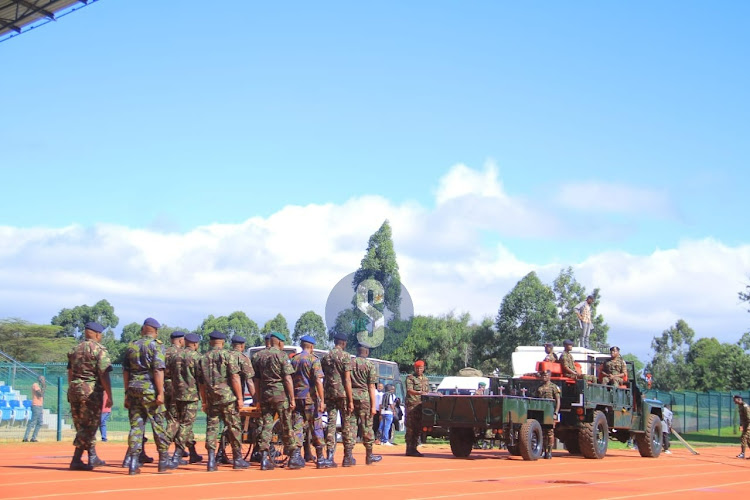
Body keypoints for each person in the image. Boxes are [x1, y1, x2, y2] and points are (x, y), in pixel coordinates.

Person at [123, 317, 172, 475]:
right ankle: (163, 460)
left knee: (136, 427)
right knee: (158, 425)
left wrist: (126, 393)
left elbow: (126, 371)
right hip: (150, 390)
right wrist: (160, 392)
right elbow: (158, 370)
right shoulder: (156, 346)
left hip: (133, 389)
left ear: (143, 329)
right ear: (156, 331)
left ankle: (133, 462)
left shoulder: (131, 346)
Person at [198, 330, 249, 471]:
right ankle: (237, 459)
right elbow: (235, 378)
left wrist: (204, 401)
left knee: (212, 429)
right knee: (234, 428)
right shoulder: (228, 355)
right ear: (223, 342)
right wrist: (239, 398)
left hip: (211, 399)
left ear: (210, 342)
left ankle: (211, 460)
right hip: (228, 398)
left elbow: (201, 383)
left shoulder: (203, 358)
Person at [67, 321, 113, 471]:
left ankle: (91, 456)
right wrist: (109, 395)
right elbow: (104, 373)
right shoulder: (99, 350)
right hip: (90, 392)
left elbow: (70, 372)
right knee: (89, 425)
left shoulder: (75, 349)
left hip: (74, 390)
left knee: (81, 425)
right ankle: (77, 459)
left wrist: (72, 387)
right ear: (98, 334)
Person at [252, 331, 301, 470]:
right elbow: (287, 379)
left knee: (267, 425)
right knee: (287, 425)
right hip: (280, 395)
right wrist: (292, 398)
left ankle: (263, 457)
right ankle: (293, 456)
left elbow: (256, 379)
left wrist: (258, 398)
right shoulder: (281, 355)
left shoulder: (258, 356)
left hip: (265, 395)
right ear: (279, 342)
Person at [290, 335, 333, 469]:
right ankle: (320, 458)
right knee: (316, 426)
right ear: (312, 347)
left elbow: (289, 379)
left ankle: (296, 456)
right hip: (310, 398)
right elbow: (318, 381)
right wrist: (322, 400)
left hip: (297, 398)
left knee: (297, 426)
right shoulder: (313, 360)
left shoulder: (294, 359)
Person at [215, 335, 256, 466]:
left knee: (226, 427)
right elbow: (249, 380)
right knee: (235, 427)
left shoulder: (224, 355)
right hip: (234, 398)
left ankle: (220, 453)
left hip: (219, 396)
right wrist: (256, 399)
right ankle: (243, 456)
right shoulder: (243, 358)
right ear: (242, 346)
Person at [169, 333, 203, 466]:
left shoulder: (175, 355)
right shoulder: (197, 357)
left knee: (181, 423)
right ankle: (177, 454)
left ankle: (193, 452)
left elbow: (168, 374)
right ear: (195, 344)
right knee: (186, 425)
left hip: (176, 394)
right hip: (191, 395)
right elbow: (201, 380)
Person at [321, 332, 354, 466]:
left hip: (329, 393)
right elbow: (347, 379)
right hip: (343, 394)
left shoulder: (325, 357)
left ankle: (329, 456)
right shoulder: (346, 356)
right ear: (344, 343)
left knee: (331, 423)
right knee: (347, 425)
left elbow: (323, 376)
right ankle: (347, 457)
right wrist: (351, 400)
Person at [347, 342, 382, 466]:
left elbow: (346, 381)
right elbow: (372, 386)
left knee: (351, 427)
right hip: (364, 399)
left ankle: (348, 456)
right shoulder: (369, 365)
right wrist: (374, 406)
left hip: (350, 397)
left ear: (357, 350)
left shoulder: (349, 363)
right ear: (366, 352)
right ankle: (369, 455)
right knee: (367, 426)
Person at [405, 360, 430, 457]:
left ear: (423, 368)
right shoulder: (410, 378)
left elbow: (427, 391)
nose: (419, 370)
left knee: (418, 428)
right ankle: (409, 448)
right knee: (411, 428)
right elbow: (409, 390)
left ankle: (414, 448)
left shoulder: (425, 379)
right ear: (414, 368)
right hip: (412, 406)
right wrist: (419, 393)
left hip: (421, 406)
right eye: (417, 368)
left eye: (421, 368)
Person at [164, 330, 185, 443]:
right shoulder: (181, 353)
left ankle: (188, 449)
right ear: (181, 340)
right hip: (177, 387)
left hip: (165, 386)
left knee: (173, 417)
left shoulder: (164, 352)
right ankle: (164, 445)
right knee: (177, 419)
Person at [535, 370, 561, 459]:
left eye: (546, 375)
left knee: (550, 432)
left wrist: (556, 413)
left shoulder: (554, 387)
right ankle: (543, 450)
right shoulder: (539, 388)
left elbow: (558, 401)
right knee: (541, 432)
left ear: (549, 376)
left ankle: (549, 452)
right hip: (540, 413)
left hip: (549, 412)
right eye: (543, 375)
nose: (544, 377)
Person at [23, 375, 46, 442]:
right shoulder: (35, 385)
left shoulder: (40, 387)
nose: (43, 381)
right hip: (36, 405)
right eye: (42, 379)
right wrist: (44, 386)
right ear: (39, 380)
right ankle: (25, 437)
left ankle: (33, 437)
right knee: (33, 422)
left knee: (40, 422)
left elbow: (42, 396)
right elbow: (40, 394)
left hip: (40, 405)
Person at [734, 395, 750, 459]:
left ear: (739, 399)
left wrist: (747, 426)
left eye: (735, 400)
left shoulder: (745, 406)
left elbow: (749, 417)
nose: (734, 401)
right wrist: (741, 425)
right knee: (748, 440)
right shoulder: (740, 406)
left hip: (748, 425)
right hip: (745, 425)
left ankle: (742, 453)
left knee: (743, 437)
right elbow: (742, 417)